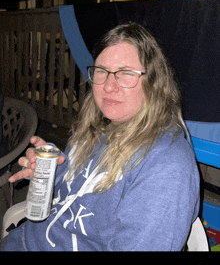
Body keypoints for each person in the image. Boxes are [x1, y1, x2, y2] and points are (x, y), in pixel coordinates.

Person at [0, 23, 200, 251]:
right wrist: (56, 170)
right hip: (23, 240)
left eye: (125, 74)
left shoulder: (167, 166)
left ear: (154, 82)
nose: (108, 86)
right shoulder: (99, 126)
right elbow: (82, 192)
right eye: (102, 71)